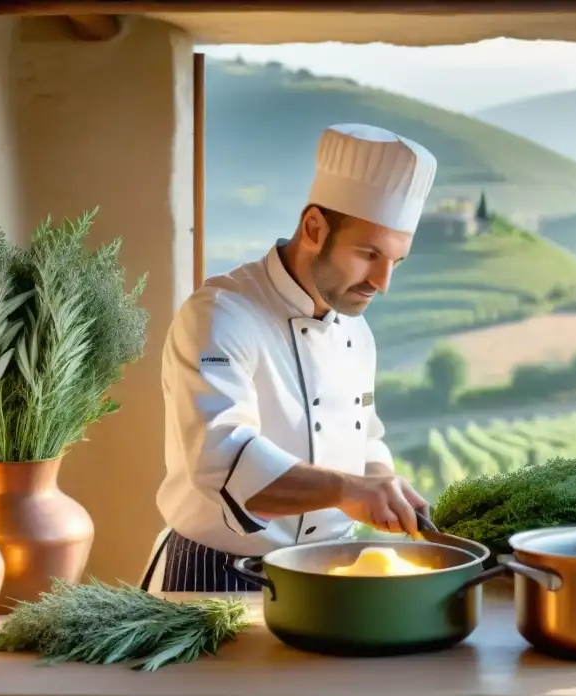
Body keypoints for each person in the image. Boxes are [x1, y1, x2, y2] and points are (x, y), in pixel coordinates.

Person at [140, 123, 439, 593]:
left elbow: (365, 436)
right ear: (314, 228)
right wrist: (348, 491)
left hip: (324, 576)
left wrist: (383, 482)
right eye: (368, 254)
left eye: (394, 263)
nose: (382, 282)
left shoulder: (356, 332)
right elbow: (222, 460)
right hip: (217, 575)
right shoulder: (222, 315)